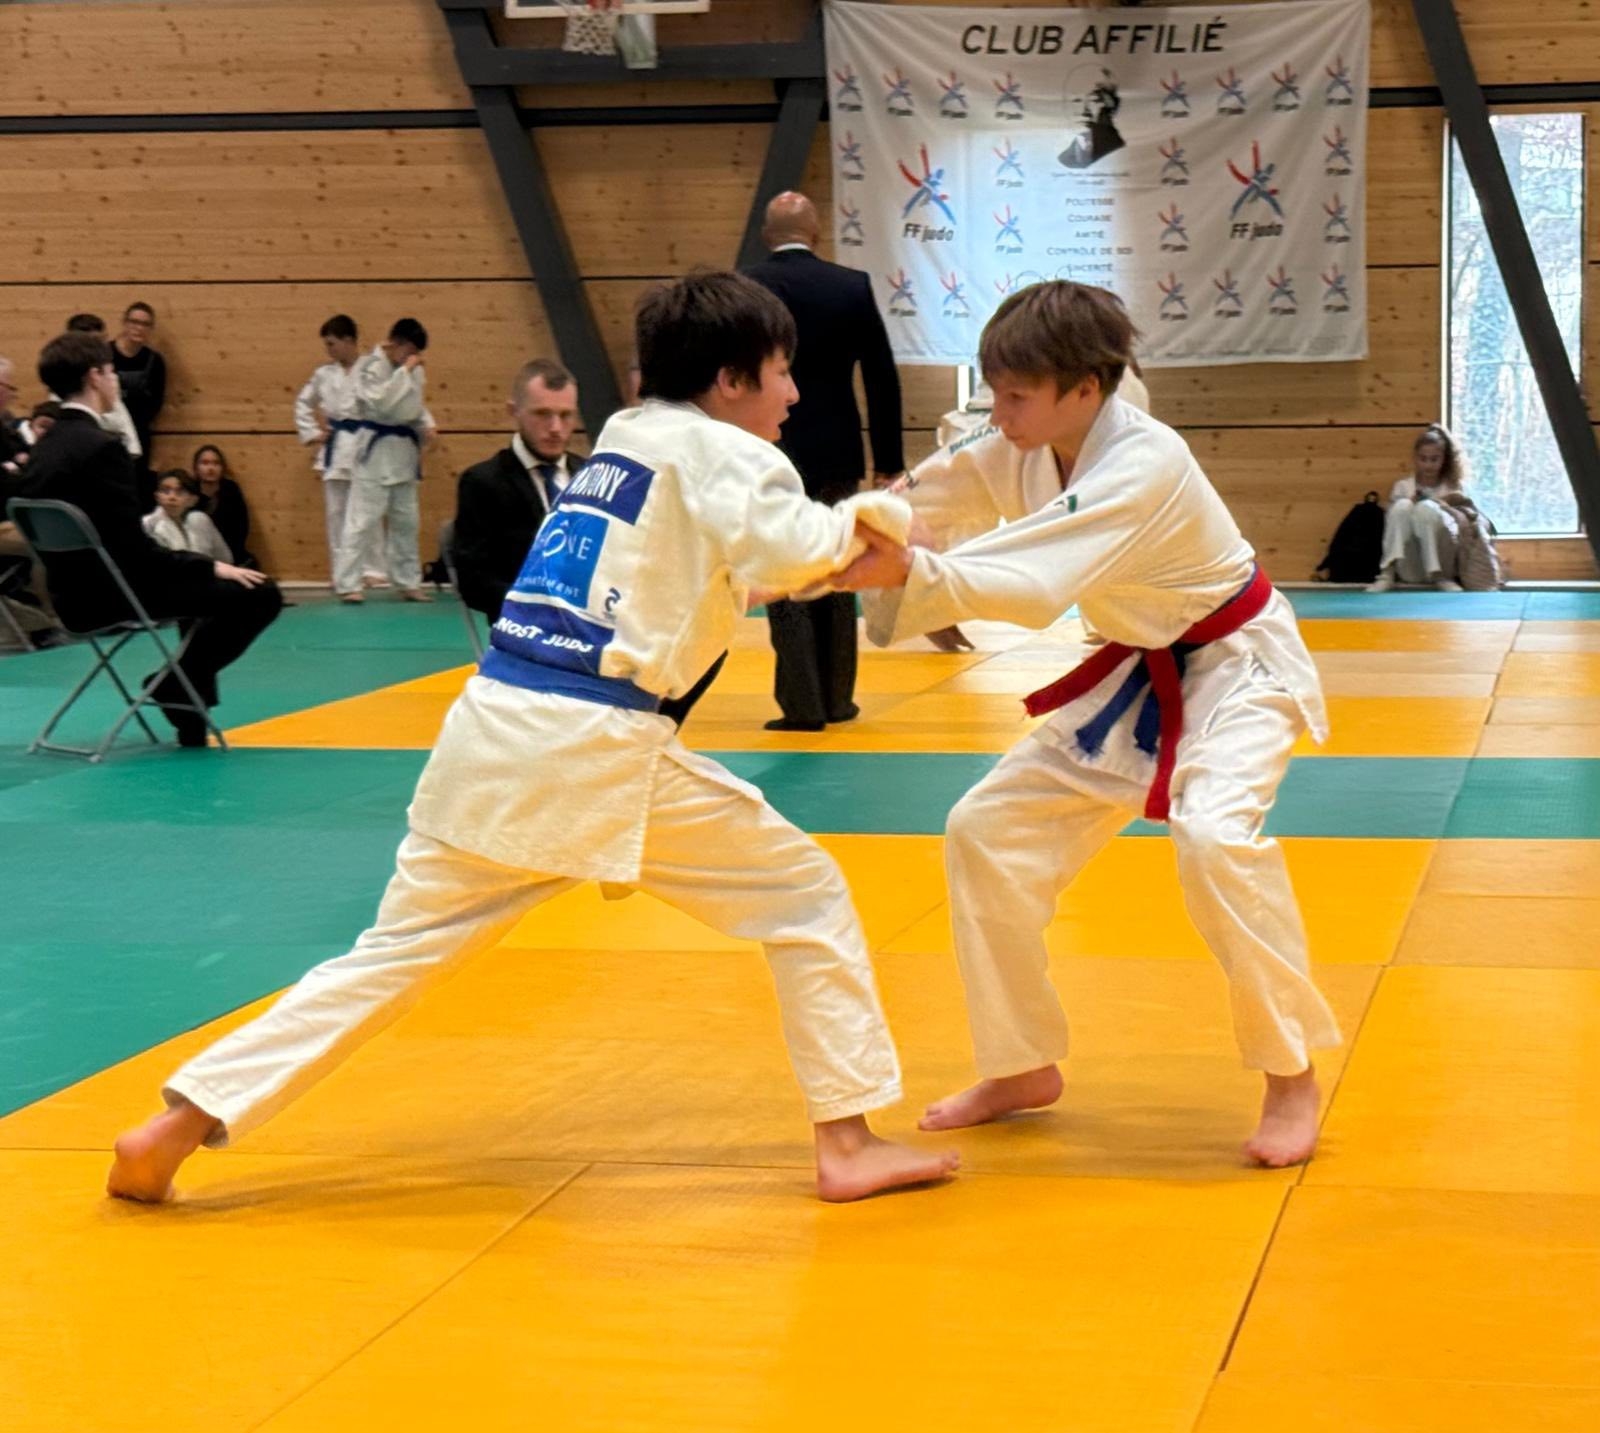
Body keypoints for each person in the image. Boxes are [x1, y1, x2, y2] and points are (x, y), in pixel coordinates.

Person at [106, 270, 956, 1207]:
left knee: (391, 954)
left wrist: (835, 565)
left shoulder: (623, 442)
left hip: (493, 730)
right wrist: (884, 518)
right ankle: (847, 1143)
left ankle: (174, 1124)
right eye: (783, 372)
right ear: (729, 380)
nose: (793, 393)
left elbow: (709, 573)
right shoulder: (726, 451)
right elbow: (798, 545)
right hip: (591, 744)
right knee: (804, 895)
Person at [835, 281, 1341, 1168]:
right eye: (995, 391)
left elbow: (1036, 574)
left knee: (1214, 838)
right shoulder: (1026, 441)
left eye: (1017, 395)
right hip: (1135, 672)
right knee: (986, 831)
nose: (1000, 413)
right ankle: (1020, 1061)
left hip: (1238, 667)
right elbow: (932, 492)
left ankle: (1290, 1071)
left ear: (1085, 388)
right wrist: (838, 539)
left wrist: (909, 571)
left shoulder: (1144, 462)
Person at [19, 331, 282, 746]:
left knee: (197, 593)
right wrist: (208, 564)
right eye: (111, 372)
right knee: (261, 594)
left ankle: (187, 711)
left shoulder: (42, 448)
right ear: (94, 377)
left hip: (69, 599)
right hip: (115, 595)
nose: (115, 382)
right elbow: (135, 551)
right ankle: (174, 685)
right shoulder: (102, 448)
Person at [744, 191, 905, 731]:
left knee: (783, 573)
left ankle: (802, 704)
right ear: (815, 234)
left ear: (766, 235)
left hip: (770, 450)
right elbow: (881, 376)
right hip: (838, 449)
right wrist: (888, 460)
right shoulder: (850, 287)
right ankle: (839, 699)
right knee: (837, 568)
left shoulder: (747, 287)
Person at [453, 359, 583, 619]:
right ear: (514, 411)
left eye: (565, 415)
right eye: (542, 414)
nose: (555, 428)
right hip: (522, 627)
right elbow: (473, 583)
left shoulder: (591, 476)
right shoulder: (483, 483)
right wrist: (537, 607)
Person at [336, 318, 436, 604]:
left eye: (416, 353)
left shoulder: (412, 368)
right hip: (375, 453)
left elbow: (414, 405)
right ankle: (348, 584)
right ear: (396, 343)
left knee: (407, 522)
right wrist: (405, 371)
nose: (413, 357)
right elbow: (382, 403)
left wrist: (427, 424)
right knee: (361, 521)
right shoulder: (370, 366)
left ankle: (408, 582)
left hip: (404, 452)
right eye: (410, 350)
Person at [294, 314, 387, 588]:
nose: (329, 350)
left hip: (365, 445)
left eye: (332, 344)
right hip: (336, 449)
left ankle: (374, 570)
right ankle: (342, 573)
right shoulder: (324, 374)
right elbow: (302, 403)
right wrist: (313, 433)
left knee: (368, 511)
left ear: (349, 340)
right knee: (337, 515)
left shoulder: (372, 368)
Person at [1366, 423, 1466, 592]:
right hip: (1410, 565)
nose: (1428, 465)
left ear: (1443, 459)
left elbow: (1463, 527)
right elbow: (1392, 524)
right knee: (1402, 505)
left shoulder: (1452, 488)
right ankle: (1387, 574)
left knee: (1425, 508)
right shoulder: (1403, 487)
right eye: (1423, 459)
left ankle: (1440, 576)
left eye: (1434, 459)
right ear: (1415, 458)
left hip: (1442, 561)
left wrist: (1440, 505)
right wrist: (1411, 503)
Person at [63, 314, 143, 470]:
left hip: (116, 451)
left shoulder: (106, 373)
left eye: (103, 340)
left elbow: (120, 415)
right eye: (95, 342)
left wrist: (131, 446)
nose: (102, 347)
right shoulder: (65, 377)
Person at [110, 301, 167, 493]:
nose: (139, 328)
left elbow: (157, 402)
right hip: (108, 432)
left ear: (150, 329)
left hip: (139, 434)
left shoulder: (155, 361)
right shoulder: (105, 354)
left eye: (145, 324)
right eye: (134, 322)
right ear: (125, 323)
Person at [142, 470, 233, 562]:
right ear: (157, 497)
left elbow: (225, 558)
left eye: (180, 492)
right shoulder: (147, 525)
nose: (172, 497)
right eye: (166, 491)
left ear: (192, 500)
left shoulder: (200, 521)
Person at [192, 444, 255, 567]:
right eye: (205, 463)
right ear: (196, 468)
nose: (210, 468)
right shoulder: (190, 491)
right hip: (198, 551)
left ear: (222, 468)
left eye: (216, 463)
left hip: (228, 551)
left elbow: (241, 526)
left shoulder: (230, 490)